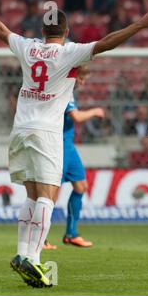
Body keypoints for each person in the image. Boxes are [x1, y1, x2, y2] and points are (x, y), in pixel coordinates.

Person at [0, 0, 148, 288]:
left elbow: (0, 30)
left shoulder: (28, 47)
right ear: (66, 31)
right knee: (47, 196)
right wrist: (140, 24)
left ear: (43, 30)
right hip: (46, 132)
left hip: (21, 128)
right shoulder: (69, 53)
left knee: (31, 194)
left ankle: (22, 253)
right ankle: (34, 257)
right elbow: (106, 43)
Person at [43, 65, 105, 250]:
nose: (83, 82)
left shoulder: (69, 90)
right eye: (82, 78)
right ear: (74, 76)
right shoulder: (64, 89)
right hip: (58, 145)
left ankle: (71, 234)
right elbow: (76, 117)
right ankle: (41, 237)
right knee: (51, 193)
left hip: (68, 145)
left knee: (81, 186)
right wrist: (95, 111)